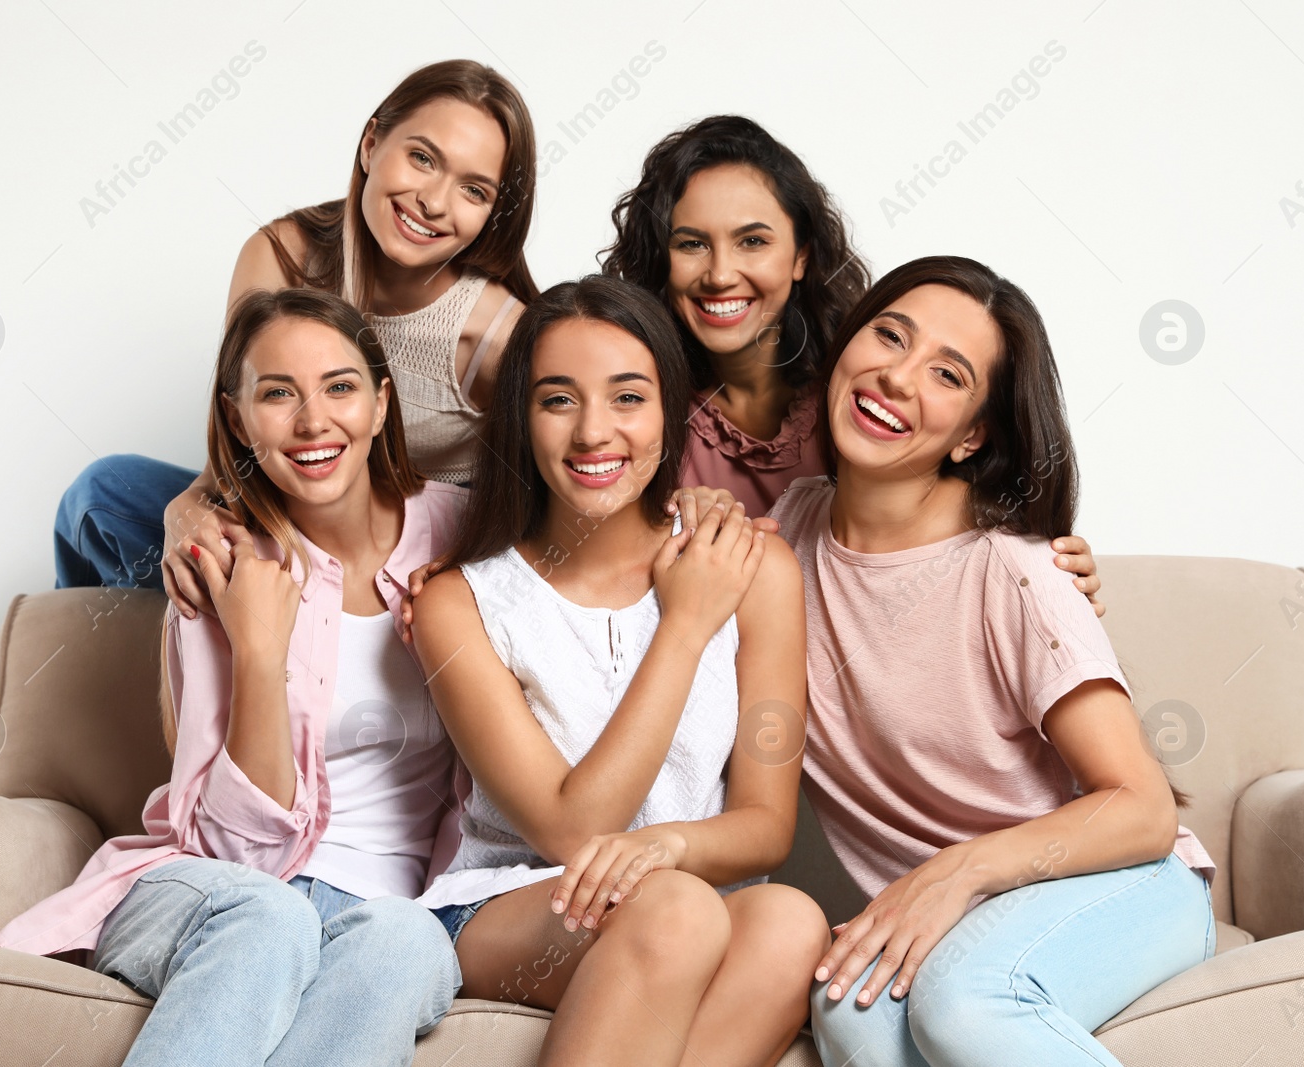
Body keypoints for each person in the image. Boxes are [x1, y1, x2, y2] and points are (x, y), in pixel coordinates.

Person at [0, 288, 470, 1067]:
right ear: (238, 417)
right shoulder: (220, 563)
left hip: (389, 904)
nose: (314, 421)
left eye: (340, 387)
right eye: (278, 394)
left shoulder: (461, 532)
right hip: (214, 887)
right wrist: (256, 648)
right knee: (268, 916)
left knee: (412, 941)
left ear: (383, 404)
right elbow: (230, 851)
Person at [774, 256, 1215, 1067]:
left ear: (974, 433)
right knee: (849, 1005)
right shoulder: (787, 530)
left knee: (965, 1002)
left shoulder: (1016, 573)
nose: (897, 377)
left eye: (946, 373)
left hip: (1121, 883)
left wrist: (961, 871)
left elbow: (1143, 806)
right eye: (888, 335)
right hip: (950, 909)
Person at [408, 275, 830, 1067]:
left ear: (671, 410)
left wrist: (666, 847)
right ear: (522, 419)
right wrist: (686, 622)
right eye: (558, 400)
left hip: (689, 896)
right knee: (673, 909)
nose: (595, 432)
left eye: (628, 398)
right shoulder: (458, 604)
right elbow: (573, 831)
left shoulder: (756, 567)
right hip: (517, 906)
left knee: (791, 922)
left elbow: (767, 823)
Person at [54, 59, 536, 614]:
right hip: (283, 515)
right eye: (422, 158)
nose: (433, 201)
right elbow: (238, 441)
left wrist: (454, 575)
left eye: (473, 190)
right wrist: (186, 507)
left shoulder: (497, 336)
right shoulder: (282, 255)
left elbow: (540, 506)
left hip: (406, 556)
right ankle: (161, 652)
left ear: (493, 213)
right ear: (372, 143)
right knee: (100, 496)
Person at [602, 116, 1105, 609]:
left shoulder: (869, 393)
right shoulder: (632, 411)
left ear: (801, 255)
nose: (720, 274)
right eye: (692, 243)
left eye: (752, 241)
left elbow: (967, 520)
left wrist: (1046, 575)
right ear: (661, 260)